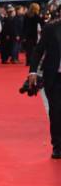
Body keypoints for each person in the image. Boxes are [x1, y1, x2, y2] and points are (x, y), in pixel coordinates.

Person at [29, 9, 61, 159]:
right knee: (55, 111)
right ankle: (57, 146)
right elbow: (38, 50)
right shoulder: (50, 28)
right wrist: (33, 71)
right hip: (54, 77)